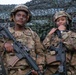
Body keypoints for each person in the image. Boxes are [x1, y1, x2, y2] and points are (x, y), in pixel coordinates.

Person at [2, 4, 45, 75]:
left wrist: (39, 68)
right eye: (18, 15)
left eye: (24, 16)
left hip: (30, 71)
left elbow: (41, 53)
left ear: (27, 18)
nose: (21, 17)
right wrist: (4, 45)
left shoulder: (33, 35)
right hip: (10, 71)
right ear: (13, 17)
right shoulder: (5, 33)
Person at [43, 11, 76, 75]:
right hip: (52, 70)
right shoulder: (52, 35)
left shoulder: (73, 35)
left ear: (67, 21)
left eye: (62, 20)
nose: (60, 22)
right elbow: (43, 47)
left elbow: (73, 46)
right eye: (58, 21)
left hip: (69, 69)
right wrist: (49, 35)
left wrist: (63, 33)